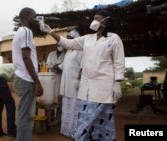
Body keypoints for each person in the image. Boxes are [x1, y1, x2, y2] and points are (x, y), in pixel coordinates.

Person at [40, 10, 125, 141]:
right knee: (84, 119)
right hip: (85, 88)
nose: (94, 21)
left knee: (103, 120)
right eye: (94, 18)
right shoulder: (87, 39)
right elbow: (68, 43)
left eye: (98, 18)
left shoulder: (114, 39)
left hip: (104, 88)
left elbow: (119, 62)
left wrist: (118, 83)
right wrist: (51, 32)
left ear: (106, 21)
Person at [12, 7, 43, 141]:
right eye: (34, 16)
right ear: (27, 16)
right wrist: (38, 83)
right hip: (26, 79)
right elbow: (26, 57)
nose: (36, 19)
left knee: (27, 116)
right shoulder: (26, 31)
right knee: (25, 117)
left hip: (23, 78)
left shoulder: (22, 32)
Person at [59, 29, 82, 139]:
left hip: (74, 85)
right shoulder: (68, 51)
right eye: (67, 38)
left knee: (74, 108)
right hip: (66, 84)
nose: (67, 40)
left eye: (69, 38)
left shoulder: (80, 50)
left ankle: (74, 132)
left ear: (75, 39)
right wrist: (55, 66)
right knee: (66, 107)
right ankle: (66, 130)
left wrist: (78, 80)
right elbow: (63, 65)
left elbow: (83, 67)